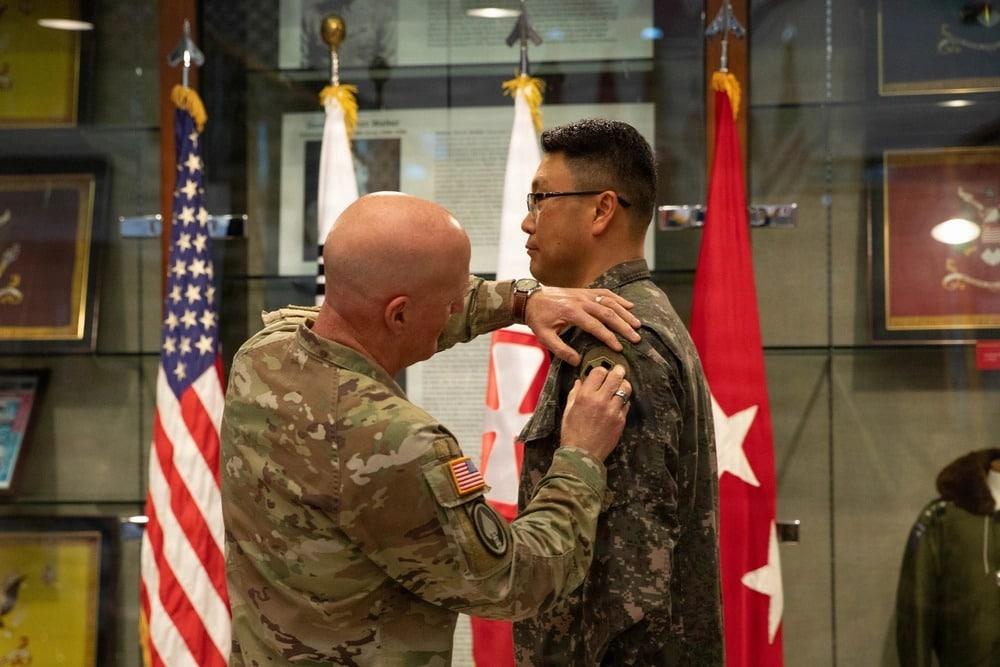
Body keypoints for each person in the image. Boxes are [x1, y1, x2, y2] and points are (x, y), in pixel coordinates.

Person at [221, 191, 643, 666]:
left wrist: (520, 302)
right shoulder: (399, 442)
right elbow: (515, 582)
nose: (453, 311)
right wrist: (580, 457)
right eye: (449, 301)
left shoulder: (262, 355)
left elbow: (376, 318)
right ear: (399, 314)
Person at [514, 119, 725, 665]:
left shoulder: (621, 340)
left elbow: (630, 587)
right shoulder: (628, 316)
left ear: (603, 210)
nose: (525, 222)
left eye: (540, 199)